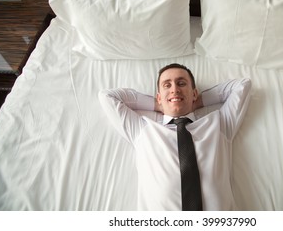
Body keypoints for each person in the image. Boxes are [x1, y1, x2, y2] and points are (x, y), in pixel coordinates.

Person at [98, 63, 252, 210]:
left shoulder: (219, 124)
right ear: (159, 97)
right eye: (167, 85)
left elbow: (242, 86)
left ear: (194, 93)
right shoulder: (142, 130)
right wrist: (158, 105)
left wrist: (197, 102)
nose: (175, 89)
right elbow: (108, 96)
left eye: (181, 83)